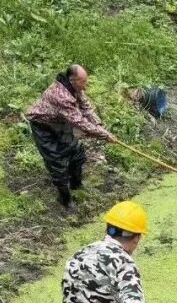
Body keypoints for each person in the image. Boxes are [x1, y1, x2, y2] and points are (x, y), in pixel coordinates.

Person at [26, 64, 116, 210]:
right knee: (57, 163)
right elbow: (79, 122)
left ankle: (76, 184)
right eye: (83, 82)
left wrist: (99, 125)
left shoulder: (74, 88)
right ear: (73, 79)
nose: (86, 85)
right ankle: (66, 200)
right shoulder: (61, 97)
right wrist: (104, 135)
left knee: (77, 153)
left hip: (60, 122)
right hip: (44, 127)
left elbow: (86, 107)